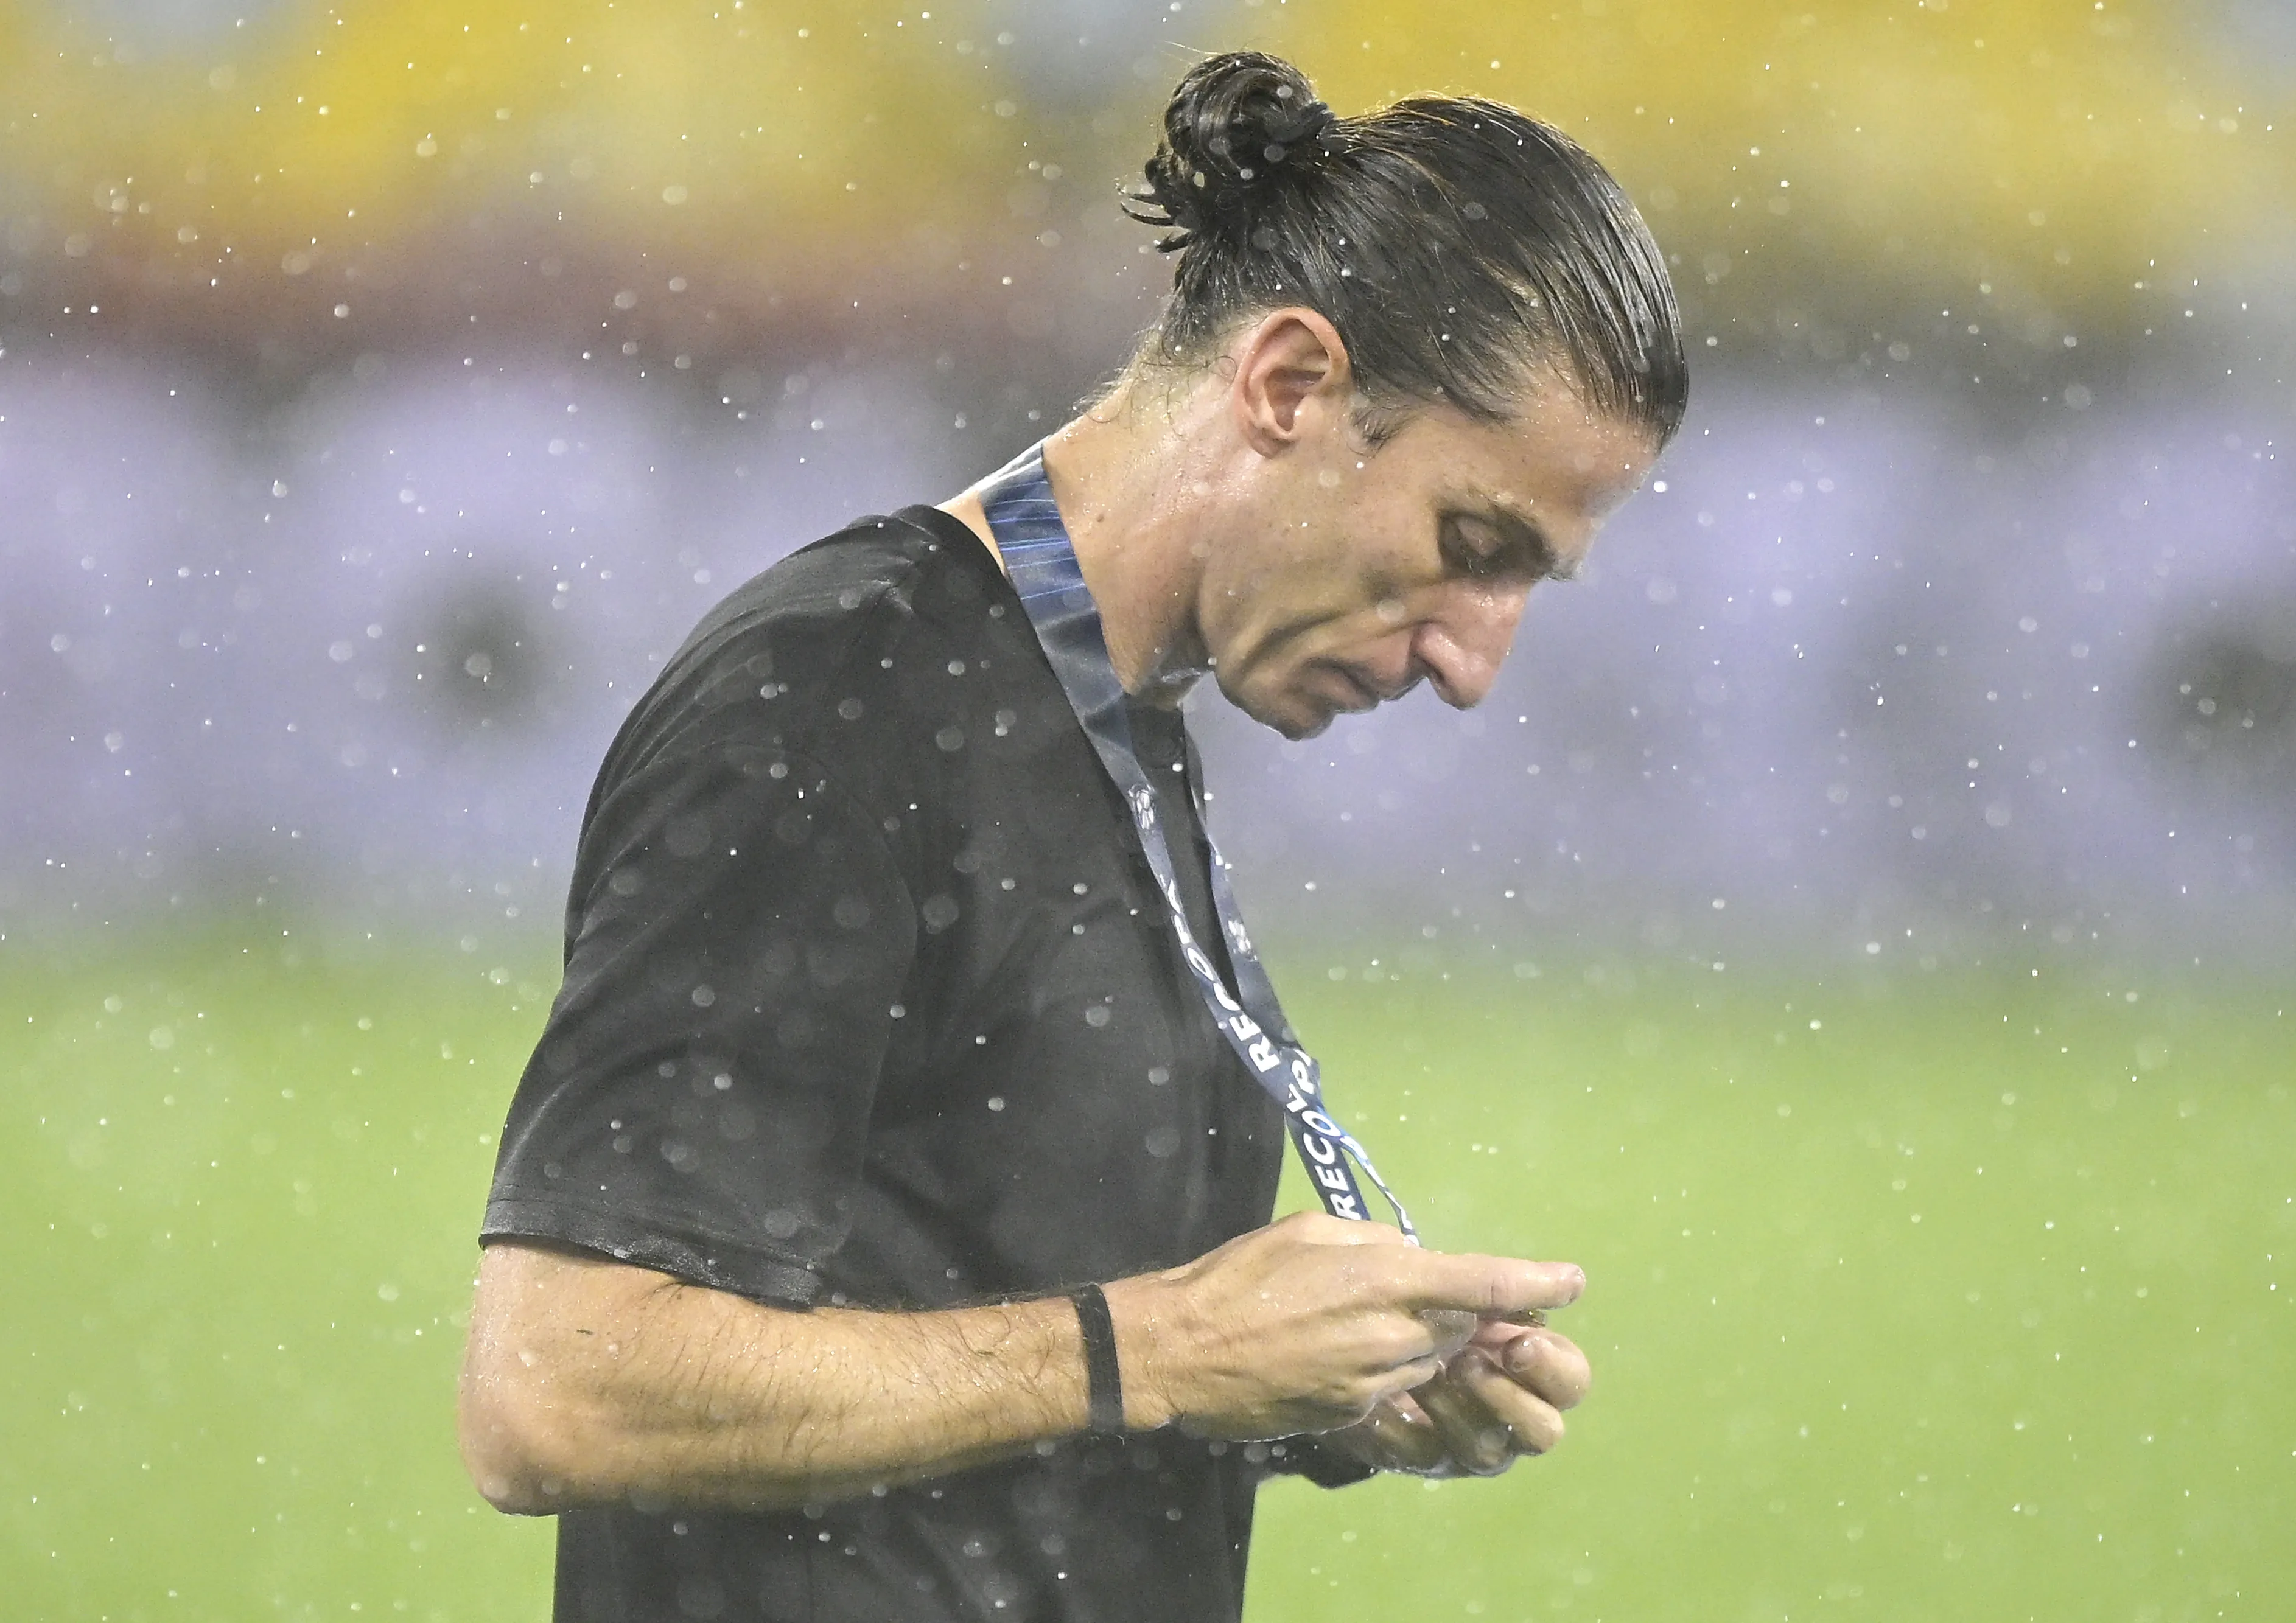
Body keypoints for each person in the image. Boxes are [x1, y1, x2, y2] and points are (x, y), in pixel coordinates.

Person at [457, 49, 1687, 1623]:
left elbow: (990, 1303)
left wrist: (1311, 1392)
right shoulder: (838, 701)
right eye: (1472, 546)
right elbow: (557, 1385)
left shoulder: (1111, 720)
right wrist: (1164, 1348)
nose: (1474, 661)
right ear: (1292, 386)